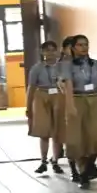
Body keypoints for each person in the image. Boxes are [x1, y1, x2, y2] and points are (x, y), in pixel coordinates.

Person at [55, 35, 97, 189]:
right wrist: (70, 106)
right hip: (77, 99)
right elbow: (68, 85)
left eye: (86, 44)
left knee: (96, 136)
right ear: (73, 48)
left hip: (95, 100)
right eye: (80, 45)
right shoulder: (67, 65)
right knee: (78, 140)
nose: (84, 47)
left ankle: (90, 165)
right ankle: (83, 173)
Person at [27, 41, 65, 175]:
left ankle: (55, 161)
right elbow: (31, 87)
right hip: (41, 96)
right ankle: (43, 161)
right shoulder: (36, 68)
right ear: (42, 52)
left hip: (58, 96)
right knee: (44, 132)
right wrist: (28, 106)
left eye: (52, 50)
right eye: (47, 50)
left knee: (57, 132)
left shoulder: (62, 67)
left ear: (57, 52)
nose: (50, 53)